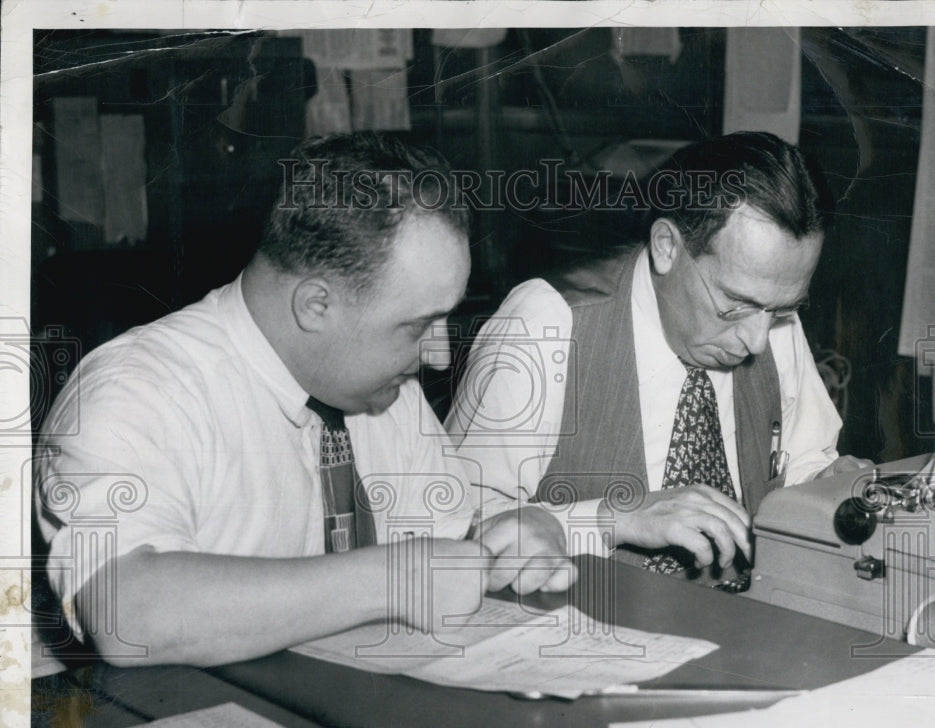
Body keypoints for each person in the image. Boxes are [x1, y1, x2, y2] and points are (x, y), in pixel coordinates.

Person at [34, 132, 573, 668]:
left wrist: (508, 538)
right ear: (316, 304)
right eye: (419, 325)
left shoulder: (387, 392)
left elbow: (446, 539)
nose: (438, 356)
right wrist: (393, 578)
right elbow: (128, 614)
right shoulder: (135, 391)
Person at [446, 131, 871, 578]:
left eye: (782, 309)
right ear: (667, 247)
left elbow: (803, 461)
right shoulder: (546, 324)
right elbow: (459, 522)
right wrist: (616, 519)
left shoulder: (767, 314)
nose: (758, 341)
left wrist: (828, 482)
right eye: (734, 304)